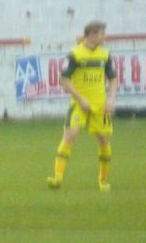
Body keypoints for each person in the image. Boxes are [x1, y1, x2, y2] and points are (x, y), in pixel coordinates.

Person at [47, 20, 118, 191]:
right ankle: (57, 178)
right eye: (101, 33)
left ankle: (103, 180)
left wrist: (111, 99)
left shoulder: (105, 55)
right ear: (91, 34)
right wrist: (80, 99)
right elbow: (64, 79)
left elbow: (113, 78)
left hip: (100, 105)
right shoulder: (75, 54)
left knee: (103, 139)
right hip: (80, 104)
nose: (104, 36)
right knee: (71, 133)